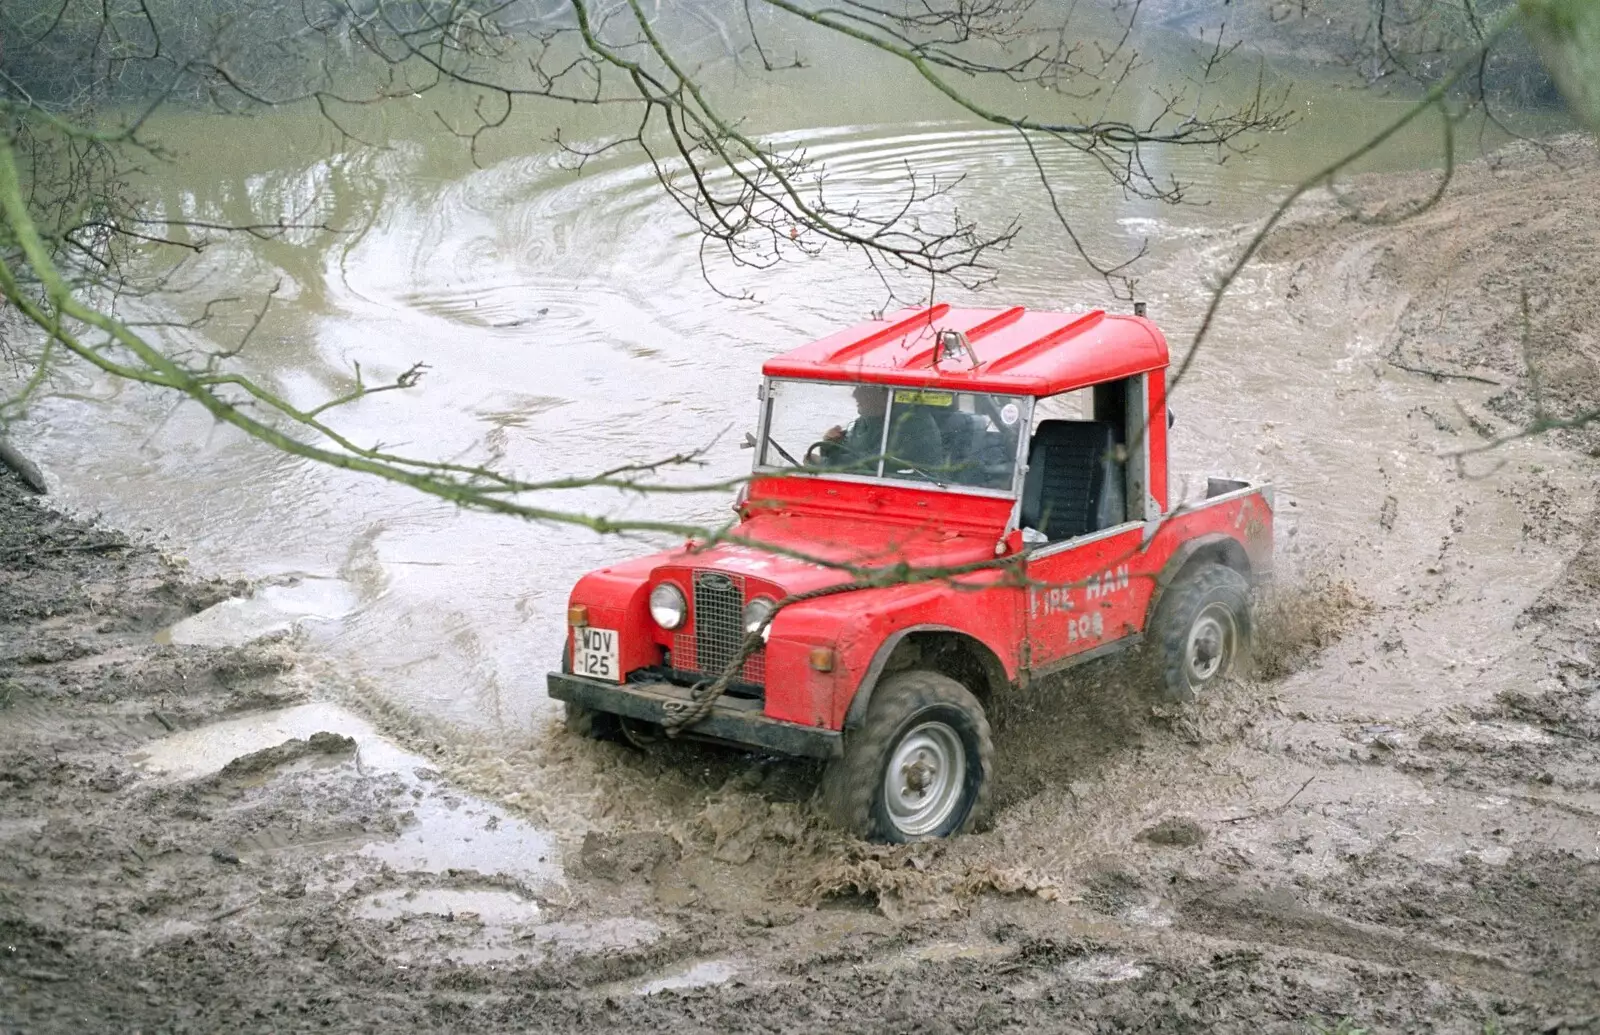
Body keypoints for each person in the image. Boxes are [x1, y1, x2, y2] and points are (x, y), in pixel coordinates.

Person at [815, 385, 944, 475]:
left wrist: (825, 464)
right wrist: (830, 445)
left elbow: (876, 465)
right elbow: (853, 452)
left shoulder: (911, 424)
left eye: (864, 389)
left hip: (913, 492)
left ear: (885, 395)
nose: (855, 394)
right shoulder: (870, 419)